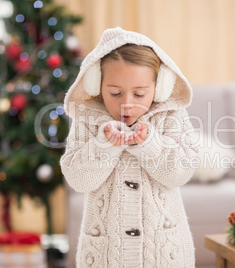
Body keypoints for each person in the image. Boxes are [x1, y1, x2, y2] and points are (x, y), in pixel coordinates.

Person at [60, 27, 198, 267]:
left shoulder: (171, 116)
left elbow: (181, 172)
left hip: (162, 254)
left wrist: (150, 144)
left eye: (139, 93)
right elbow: (79, 180)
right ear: (96, 85)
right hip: (106, 255)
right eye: (115, 93)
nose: (126, 104)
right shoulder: (88, 119)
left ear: (159, 87)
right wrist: (104, 145)